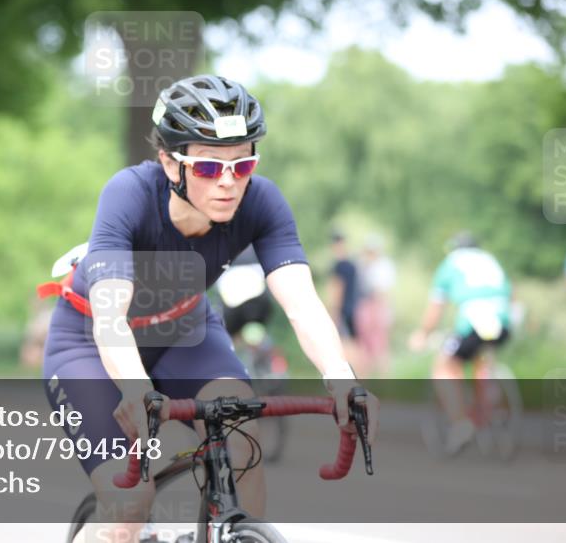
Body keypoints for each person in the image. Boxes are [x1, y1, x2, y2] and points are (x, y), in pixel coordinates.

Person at [40, 75, 379, 543]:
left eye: (242, 167)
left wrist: (342, 378)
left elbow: (301, 302)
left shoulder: (262, 202)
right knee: (130, 503)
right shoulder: (129, 195)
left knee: (243, 439)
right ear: (168, 162)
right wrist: (137, 391)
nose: (227, 183)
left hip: (184, 331)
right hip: (90, 343)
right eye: (207, 168)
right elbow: (110, 319)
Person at [409, 232, 511, 453]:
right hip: (503, 322)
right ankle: (490, 397)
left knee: (444, 364)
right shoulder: (490, 261)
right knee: (481, 357)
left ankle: (459, 423)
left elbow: (436, 309)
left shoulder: (451, 263)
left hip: (473, 322)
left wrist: (422, 334)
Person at [355, 234, 396, 376]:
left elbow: (381, 292)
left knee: (380, 347)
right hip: (366, 306)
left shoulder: (383, 266)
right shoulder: (363, 265)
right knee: (364, 348)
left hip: (377, 307)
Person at [327, 231, 362, 371]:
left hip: (343, 310)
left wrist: (334, 311)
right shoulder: (352, 264)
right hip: (353, 308)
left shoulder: (339, 266)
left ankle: (353, 376)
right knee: (353, 343)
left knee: (344, 345)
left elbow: (337, 290)